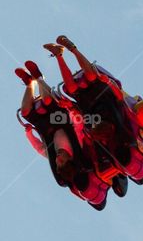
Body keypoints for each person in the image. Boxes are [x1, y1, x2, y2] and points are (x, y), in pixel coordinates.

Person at [15, 61, 109, 209]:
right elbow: (78, 126)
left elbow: (39, 148)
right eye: (62, 161)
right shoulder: (76, 145)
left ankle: (29, 84)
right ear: (70, 159)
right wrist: (70, 109)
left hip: (47, 123)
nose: (58, 159)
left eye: (57, 164)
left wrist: (29, 133)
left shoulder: (52, 155)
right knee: (46, 101)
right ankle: (39, 78)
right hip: (62, 116)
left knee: (26, 112)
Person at [42, 35, 136, 168]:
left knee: (71, 87)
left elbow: (80, 112)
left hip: (88, 99)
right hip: (103, 91)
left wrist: (69, 106)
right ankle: (72, 48)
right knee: (91, 76)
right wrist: (108, 82)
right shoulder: (117, 119)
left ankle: (58, 54)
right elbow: (119, 98)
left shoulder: (92, 123)